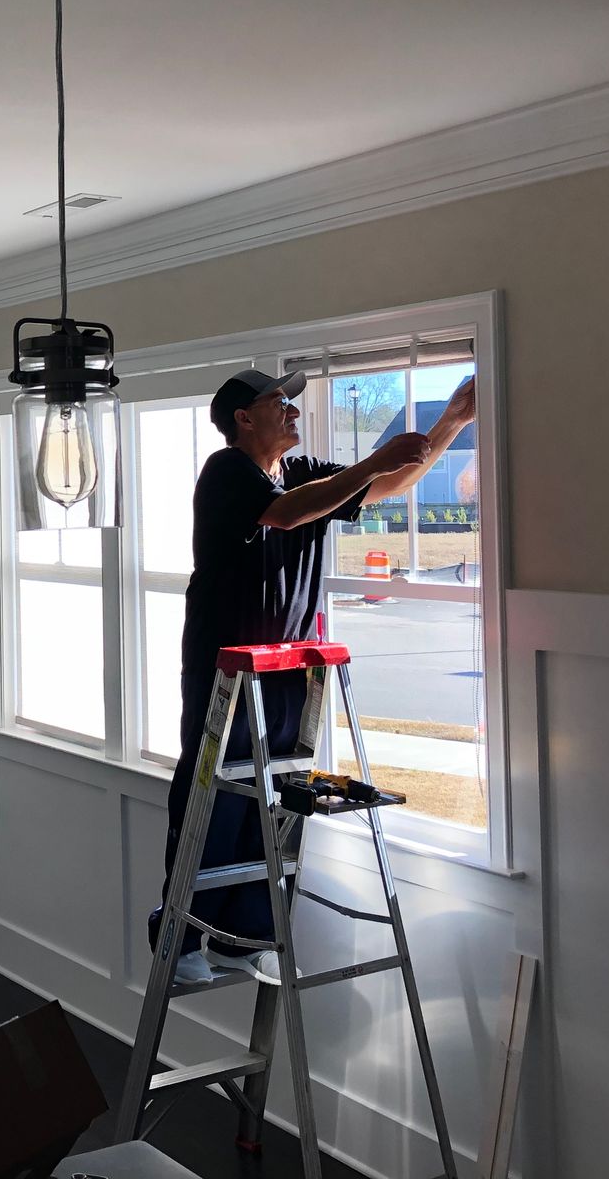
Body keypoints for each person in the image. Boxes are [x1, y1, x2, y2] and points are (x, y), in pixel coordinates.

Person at [152, 365, 478, 985]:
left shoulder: (299, 473)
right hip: (226, 665)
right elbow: (284, 516)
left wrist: (452, 422)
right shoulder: (228, 473)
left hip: (287, 663)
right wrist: (371, 461)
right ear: (245, 418)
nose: (294, 412)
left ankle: (244, 936)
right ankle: (183, 935)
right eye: (282, 402)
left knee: (275, 794)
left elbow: (388, 484)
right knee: (214, 791)